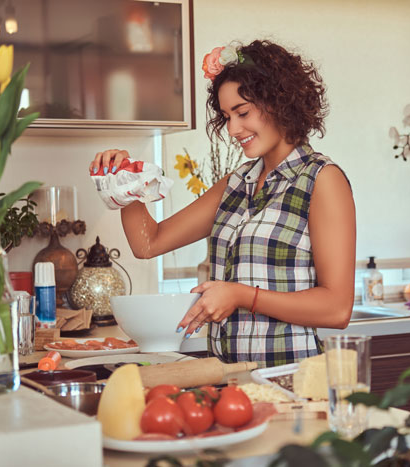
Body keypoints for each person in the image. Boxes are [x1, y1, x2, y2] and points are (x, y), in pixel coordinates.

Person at [89, 40, 356, 367]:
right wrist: (125, 181)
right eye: (227, 116)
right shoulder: (236, 183)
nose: (232, 128)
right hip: (230, 381)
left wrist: (242, 296)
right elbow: (149, 243)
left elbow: (337, 308)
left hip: (292, 380)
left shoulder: (321, 180)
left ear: (280, 102)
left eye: (242, 113)